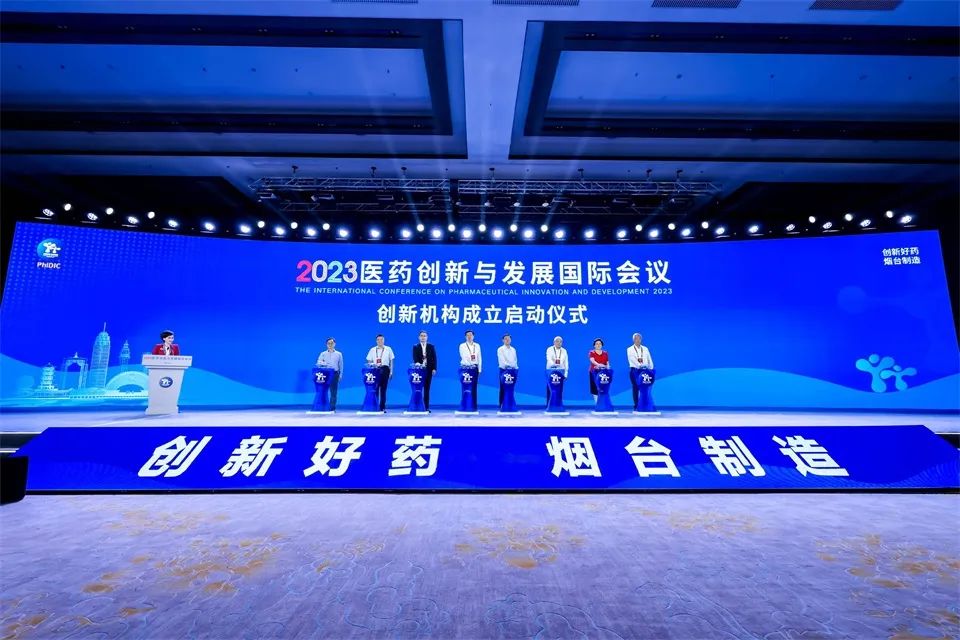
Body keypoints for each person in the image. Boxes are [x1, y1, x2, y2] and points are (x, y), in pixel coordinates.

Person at [365, 334, 395, 412]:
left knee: (383, 390)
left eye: (381, 339)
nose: (380, 341)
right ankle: (375, 406)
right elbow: (369, 360)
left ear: (384, 340)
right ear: (376, 341)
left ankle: (382, 407)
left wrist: (391, 372)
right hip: (375, 370)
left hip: (385, 369)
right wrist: (372, 366)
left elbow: (391, 361)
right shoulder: (372, 349)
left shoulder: (388, 349)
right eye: (378, 340)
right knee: (375, 389)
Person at [627, 332, 655, 410]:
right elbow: (632, 359)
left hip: (646, 371)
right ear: (633, 340)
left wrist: (651, 368)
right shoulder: (629, 349)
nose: (638, 340)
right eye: (636, 338)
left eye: (639, 338)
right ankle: (636, 405)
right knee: (635, 387)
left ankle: (645, 404)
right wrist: (640, 366)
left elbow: (649, 359)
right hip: (635, 371)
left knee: (646, 388)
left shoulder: (645, 349)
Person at [411, 330, 437, 411]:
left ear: (427, 337)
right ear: (419, 337)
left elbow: (434, 358)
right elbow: (415, 358)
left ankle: (426, 407)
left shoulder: (431, 346)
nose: (423, 337)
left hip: (429, 370)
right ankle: (417, 406)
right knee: (418, 389)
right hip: (419, 371)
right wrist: (418, 365)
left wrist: (434, 368)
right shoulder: (416, 346)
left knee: (427, 389)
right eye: (421, 336)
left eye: (424, 336)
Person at [316, 337, 344, 411]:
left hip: (335, 374)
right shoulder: (323, 354)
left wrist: (340, 375)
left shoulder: (339, 354)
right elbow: (318, 363)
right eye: (328, 343)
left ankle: (332, 408)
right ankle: (323, 406)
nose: (330, 344)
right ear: (326, 344)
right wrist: (324, 363)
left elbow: (341, 365)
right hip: (325, 374)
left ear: (335, 344)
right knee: (323, 391)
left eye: (332, 343)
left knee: (333, 392)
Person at [458, 329, 482, 405]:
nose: (469, 336)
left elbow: (479, 357)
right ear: (465, 337)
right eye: (467, 335)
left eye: (471, 335)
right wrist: (469, 365)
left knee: (474, 387)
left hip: (474, 369)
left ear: (473, 336)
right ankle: (465, 405)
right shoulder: (462, 345)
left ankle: (474, 406)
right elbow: (464, 356)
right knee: (465, 387)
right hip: (465, 369)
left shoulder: (477, 345)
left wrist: (479, 369)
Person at [497, 333, 519, 407]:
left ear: (511, 340)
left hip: (513, 371)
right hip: (504, 370)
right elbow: (502, 360)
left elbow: (515, 360)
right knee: (503, 387)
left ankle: (510, 403)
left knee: (511, 388)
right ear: (503, 340)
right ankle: (502, 404)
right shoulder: (500, 349)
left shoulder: (513, 349)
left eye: (508, 339)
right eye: (505, 339)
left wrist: (515, 368)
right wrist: (508, 366)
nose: (507, 340)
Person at [545, 335, 569, 404]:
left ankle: (559, 404)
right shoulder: (549, 349)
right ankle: (549, 404)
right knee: (550, 389)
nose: (559, 343)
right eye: (557, 341)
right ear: (554, 342)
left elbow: (566, 362)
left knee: (559, 389)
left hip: (560, 372)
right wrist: (555, 365)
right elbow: (549, 359)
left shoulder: (564, 351)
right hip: (551, 371)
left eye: (560, 342)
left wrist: (566, 373)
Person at [588, 338, 609, 402]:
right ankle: (597, 403)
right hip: (593, 372)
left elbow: (607, 363)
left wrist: (608, 368)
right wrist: (599, 365)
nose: (598, 345)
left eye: (600, 344)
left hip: (603, 373)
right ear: (594, 345)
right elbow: (592, 361)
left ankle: (603, 403)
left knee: (603, 388)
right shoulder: (592, 352)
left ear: (602, 345)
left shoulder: (605, 353)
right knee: (595, 388)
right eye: (596, 344)